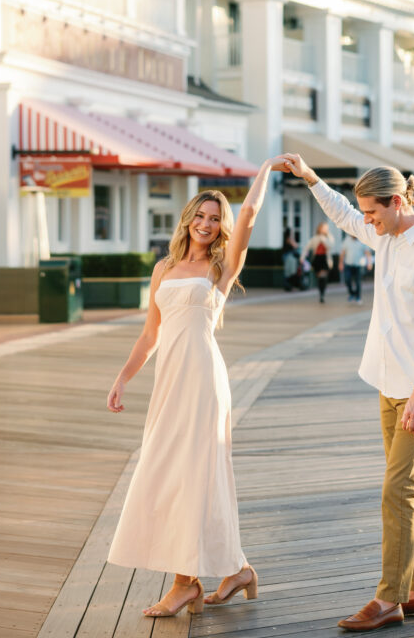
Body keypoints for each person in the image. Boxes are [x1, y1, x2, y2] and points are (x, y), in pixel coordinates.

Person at [281, 154, 414, 632]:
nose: (366, 221)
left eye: (373, 212)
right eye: (365, 213)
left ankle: (389, 599)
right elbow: (342, 213)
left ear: (398, 202)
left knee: (397, 488)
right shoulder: (385, 236)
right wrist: (311, 178)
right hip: (387, 382)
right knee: (410, 488)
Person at [106, 158, 285, 617]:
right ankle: (238, 568)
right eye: (200, 216)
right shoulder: (164, 268)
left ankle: (185, 583)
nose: (206, 225)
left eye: (214, 219)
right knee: (168, 472)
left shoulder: (222, 267)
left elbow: (248, 214)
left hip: (204, 381)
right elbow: (150, 335)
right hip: (170, 382)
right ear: (187, 219)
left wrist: (266, 167)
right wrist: (123, 378)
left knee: (197, 474)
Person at [302, 222, 334, 303]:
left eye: (326, 228)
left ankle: (322, 294)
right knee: (320, 278)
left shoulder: (329, 238)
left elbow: (330, 246)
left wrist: (323, 239)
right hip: (317, 259)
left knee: (323, 277)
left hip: (325, 259)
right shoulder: (315, 238)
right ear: (319, 228)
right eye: (324, 228)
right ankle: (321, 293)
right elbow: (307, 247)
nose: (325, 230)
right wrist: (302, 257)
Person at [339, 231, 371, 303]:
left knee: (358, 282)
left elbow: (367, 253)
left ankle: (358, 297)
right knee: (347, 280)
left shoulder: (362, 240)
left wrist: (369, 263)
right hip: (348, 264)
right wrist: (340, 263)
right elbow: (343, 253)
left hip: (358, 265)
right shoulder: (347, 240)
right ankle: (352, 294)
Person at [283, 227, 300, 291]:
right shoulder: (288, 239)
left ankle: (289, 286)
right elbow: (295, 246)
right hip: (289, 257)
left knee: (289, 272)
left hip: (289, 257)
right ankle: (288, 285)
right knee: (289, 272)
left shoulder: (287, 239)